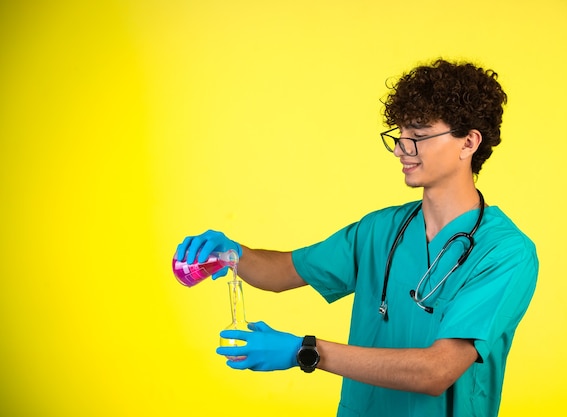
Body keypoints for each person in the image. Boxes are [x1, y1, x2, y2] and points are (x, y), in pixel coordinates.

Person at [175, 58, 539, 416]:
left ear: (468, 142)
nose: (400, 149)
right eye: (400, 136)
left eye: (419, 136)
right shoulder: (380, 230)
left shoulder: (505, 252)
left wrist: (306, 351)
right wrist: (233, 253)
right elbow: (285, 270)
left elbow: (436, 371)